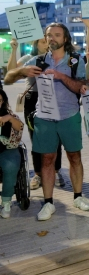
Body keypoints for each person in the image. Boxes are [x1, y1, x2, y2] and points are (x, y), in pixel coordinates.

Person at [5, 23, 89, 221]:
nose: (52, 38)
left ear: (65, 38)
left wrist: (61, 76)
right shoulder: (37, 61)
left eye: (57, 35)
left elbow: (82, 85)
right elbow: (9, 77)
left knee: (74, 157)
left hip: (69, 115)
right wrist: (23, 72)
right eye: (49, 35)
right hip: (44, 118)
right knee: (46, 159)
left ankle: (78, 197)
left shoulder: (75, 61)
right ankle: (48, 202)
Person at [5, 37, 64, 190]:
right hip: (33, 99)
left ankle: (56, 171)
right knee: (36, 137)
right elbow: (11, 72)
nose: (47, 44)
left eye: (48, 41)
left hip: (52, 98)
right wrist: (13, 49)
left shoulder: (56, 57)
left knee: (55, 137)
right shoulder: (28, 59)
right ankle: (38, 173)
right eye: (43, 41)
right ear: (35, 44)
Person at [0, 89, 25, 219]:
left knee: (10, 166)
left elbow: (20, 127)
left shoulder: (9, 115)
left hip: (8, 148)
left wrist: (8, 118)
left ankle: (6, 202)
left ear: (2, 101)